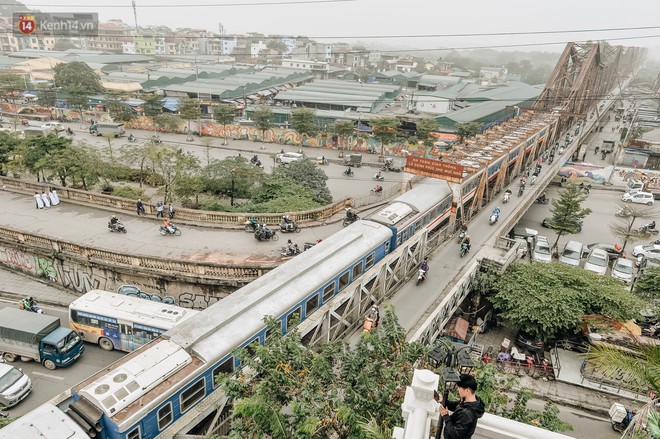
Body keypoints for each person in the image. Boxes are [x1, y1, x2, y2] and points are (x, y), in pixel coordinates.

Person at [436, 374, 485, 439]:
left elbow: (456, 434)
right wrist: (443, 401)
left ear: (467, 390)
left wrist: (446, 416)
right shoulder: (471, 401)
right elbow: (456, 406)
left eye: (459, 388)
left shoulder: (466, 414)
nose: (458, 390)